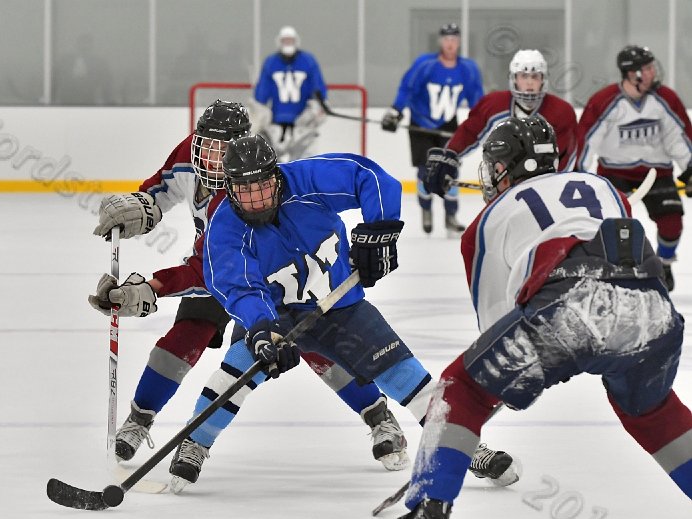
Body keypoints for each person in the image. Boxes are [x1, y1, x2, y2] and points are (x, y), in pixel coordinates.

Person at [382, 115, 692, 519]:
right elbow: (618, 234)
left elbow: (495, 330)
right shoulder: (601, 184)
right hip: (653, 307)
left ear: (503, 167)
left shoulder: (486, 222)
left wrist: (475, 410)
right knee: (653, 412)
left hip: (572, 303)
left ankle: (426, 515)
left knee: (460, 389)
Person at [165, 134, 520, 493]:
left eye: (263, 186)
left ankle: (466, 447)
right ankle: (195, 442)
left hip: (340, 305)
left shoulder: (306, 180)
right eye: (245, 191)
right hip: (276, 316)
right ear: (227, 188)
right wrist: (260, 330)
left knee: (406, 375)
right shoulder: (224, 229)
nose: (257, 201)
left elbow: (370, 177)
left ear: (276, 175)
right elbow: (239, 286)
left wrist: (378, 231)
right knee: (234, 375)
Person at [91, 100, 411, 474]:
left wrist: (153, 288)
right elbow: (160, 191)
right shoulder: (190, 154)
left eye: (220, 150)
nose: (209, 159)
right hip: (224, 271)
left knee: (315, 346)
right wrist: (138, 206)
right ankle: (141, 417)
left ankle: (379, 417)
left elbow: (204, 267)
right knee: (182, 339)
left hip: (263, 274)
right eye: (204, 145)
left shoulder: (246, 188)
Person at [577, 45, 692, 292]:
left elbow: (678, 136)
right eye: (647, 68)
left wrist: (690, 167)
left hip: (657, 172)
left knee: (672, 224)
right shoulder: (605, 101)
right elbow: (586, 139)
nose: (653, 72)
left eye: (652, 67)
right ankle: (616, 267)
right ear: (632, 74)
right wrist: (578, 174)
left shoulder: (665, 98)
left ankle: (664, 263)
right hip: (614, 172)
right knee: (613, 225)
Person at [423, 50, 578, 204]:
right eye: (524, 76)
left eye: (535, 76)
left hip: (545, 192)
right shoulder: (493, 104)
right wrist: (449, 156)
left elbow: (566, 156)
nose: (530, 82)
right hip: (501, 188)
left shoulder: (561, 112)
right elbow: (469, 132)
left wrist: (553, 187)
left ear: (543, 79)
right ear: (514, 78)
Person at [381, 23, 484, 235]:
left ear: (459, 42)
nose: (450, 43)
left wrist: (483, 120)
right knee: (424, 170)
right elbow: (407, 88)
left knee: (451, 169)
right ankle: (426, 208)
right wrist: (396, 111)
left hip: (448, 124)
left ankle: (450, 215)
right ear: (440, 41)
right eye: (446, 38)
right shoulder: (425, 64)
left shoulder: (468, 69)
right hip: (421, 124)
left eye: (454, 39)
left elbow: (477, 100)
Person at [251, 26, 328, 162]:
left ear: (296, 41)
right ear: (279, 42)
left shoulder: (308, 61)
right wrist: (260, 116)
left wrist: (316, 110)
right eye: (285, 40)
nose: (288, 44)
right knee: (271, 166)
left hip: (303, 126)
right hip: (276, 125)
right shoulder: (271, 62)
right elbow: (260, 97)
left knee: (305, 165)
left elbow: (318, 92)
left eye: (290, 40)